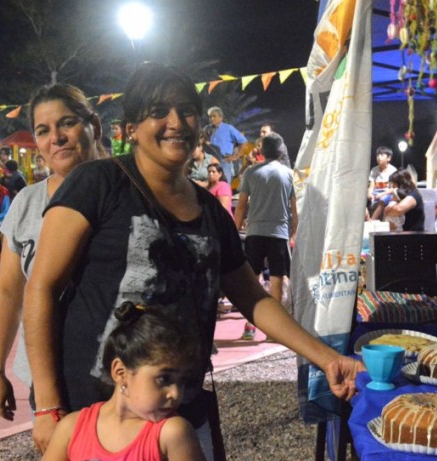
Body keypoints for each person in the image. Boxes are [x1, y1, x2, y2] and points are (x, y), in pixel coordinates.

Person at [23, 63, 362, 457]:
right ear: (130, 127)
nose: (175, 122)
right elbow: (41, 289)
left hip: (177, 413)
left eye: (186, 110)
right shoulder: (98, 184)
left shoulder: (212, 212)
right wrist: (47, 404)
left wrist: (328, 358)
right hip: (96, 415)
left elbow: (255, 300)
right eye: (157, 112)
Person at [0, 83, 107, 423]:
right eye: (43, 130)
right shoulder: (27, 202)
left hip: (121, 372)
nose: (56, 137)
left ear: (93, 127)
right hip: (49, 376)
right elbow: (9, 290)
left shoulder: (124, 190)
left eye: (67, 123)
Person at [42, 303, 205, 461]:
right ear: (120, 372)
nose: (176, 393)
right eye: (164, 379)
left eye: (182, 380)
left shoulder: (172, 433)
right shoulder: (73, 427)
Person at [234, 132, 297, 340]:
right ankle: (274, 330)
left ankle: (250, 326)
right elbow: (295, 210)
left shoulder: (251, 173)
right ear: (280, 151)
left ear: (262, 151)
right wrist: (293, 232)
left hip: (254, 233)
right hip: (279, 233)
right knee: (278, 278)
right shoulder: (288, 174)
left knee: (253, 278)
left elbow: (241, 206)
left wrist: (235, 231)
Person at [207, 106, 247, 182]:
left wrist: (236, 156)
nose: (211, 118)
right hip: (208, 162)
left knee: (224, 187)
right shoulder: (206, 129)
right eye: (210, 117)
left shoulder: (229, 128)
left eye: (214, 116)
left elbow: (243, 141)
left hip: (223, 162)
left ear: (220, 117)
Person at [367, 146, 397, 220]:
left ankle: (372, 220)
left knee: (382, 200)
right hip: (376, 193)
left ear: (388, 158)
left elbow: (393, 188)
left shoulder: (393, 170)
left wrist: (382, 194)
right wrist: (369, 193)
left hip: (387, 193)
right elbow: (372, 186)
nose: (379, 157)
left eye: (382, 155)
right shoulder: (374, 170)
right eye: (378, 155)